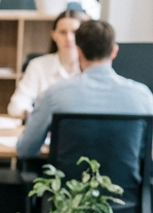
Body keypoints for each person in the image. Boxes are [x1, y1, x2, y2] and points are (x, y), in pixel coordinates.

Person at [17, 19, 153, 159]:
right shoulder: (143, 97)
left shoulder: (54, 95)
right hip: (126, 181)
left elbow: (25, 149)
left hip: (68, 181)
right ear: (114, 51)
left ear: (79, 52)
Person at [7, 10, 87, 119]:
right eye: (63, 32)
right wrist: (32, 115)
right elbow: (17, 104)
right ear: (54, 35)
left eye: (74, 32)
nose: (69, 38)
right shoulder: (38, 65)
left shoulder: (90, 68)